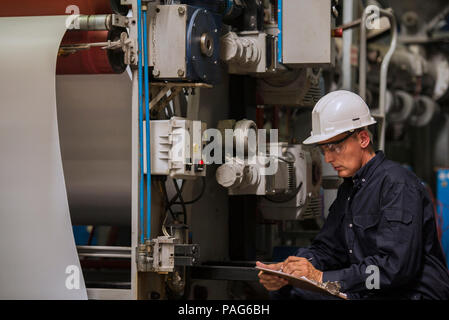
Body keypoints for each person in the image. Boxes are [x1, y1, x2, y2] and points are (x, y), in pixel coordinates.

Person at [257, 90, 449, 299]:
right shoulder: (350, 189)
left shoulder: (398, 185)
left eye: (334, 147)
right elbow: (327, 249)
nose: (328, 158)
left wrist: (322, 277)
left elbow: (395, 268)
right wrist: (291, 271)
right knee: (288, 291)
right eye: (323, 150)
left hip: (409, 294)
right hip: (373, 291)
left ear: (363, 138)